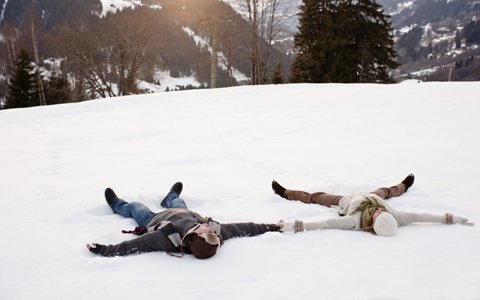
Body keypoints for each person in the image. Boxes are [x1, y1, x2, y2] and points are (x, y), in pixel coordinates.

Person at [87, 182, 281, 259]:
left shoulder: (166, 238)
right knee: (176, 200)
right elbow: (244, 228)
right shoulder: (215, 233)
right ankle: (170, 196)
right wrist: (271, 227)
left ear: (194, 236)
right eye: (212, 232)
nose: (210, 228)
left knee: (136, 207)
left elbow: (134, 245)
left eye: (208, 232)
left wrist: (104, 250)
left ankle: (117, 204)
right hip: (183, 210)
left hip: (155, 219)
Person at [272, 174, 474, 236]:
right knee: (386, 191)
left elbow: (325, 223)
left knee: (315, 197)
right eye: (383, 213)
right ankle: (404, 184)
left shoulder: (354, 221)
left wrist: (294, 225)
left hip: (345, 201)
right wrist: (450, 218)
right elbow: (420, 216)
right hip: (370, 196)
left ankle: (286, 192)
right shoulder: (394, 216)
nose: (379, 212)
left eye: (378, 216)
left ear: (373, 224)